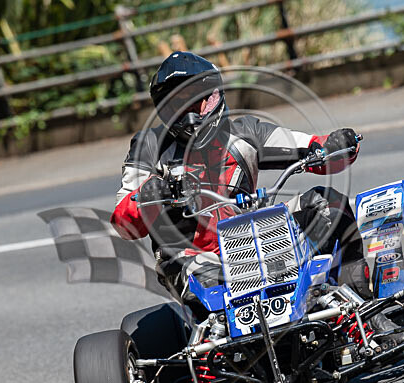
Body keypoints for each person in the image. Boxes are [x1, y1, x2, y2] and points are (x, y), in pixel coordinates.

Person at [110, 52, 370, 317]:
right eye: (178, 106)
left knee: (327, 203)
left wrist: (334, 145)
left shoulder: (246, 133)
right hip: (191, 256)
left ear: (214, 96)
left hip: (254, 238)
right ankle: (216, 344)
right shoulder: (150, 146)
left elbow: (312, 148)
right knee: (206, 284)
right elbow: (123, 221)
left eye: (196, 100)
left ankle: (361, 306)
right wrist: (148, 195)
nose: (189, 114)